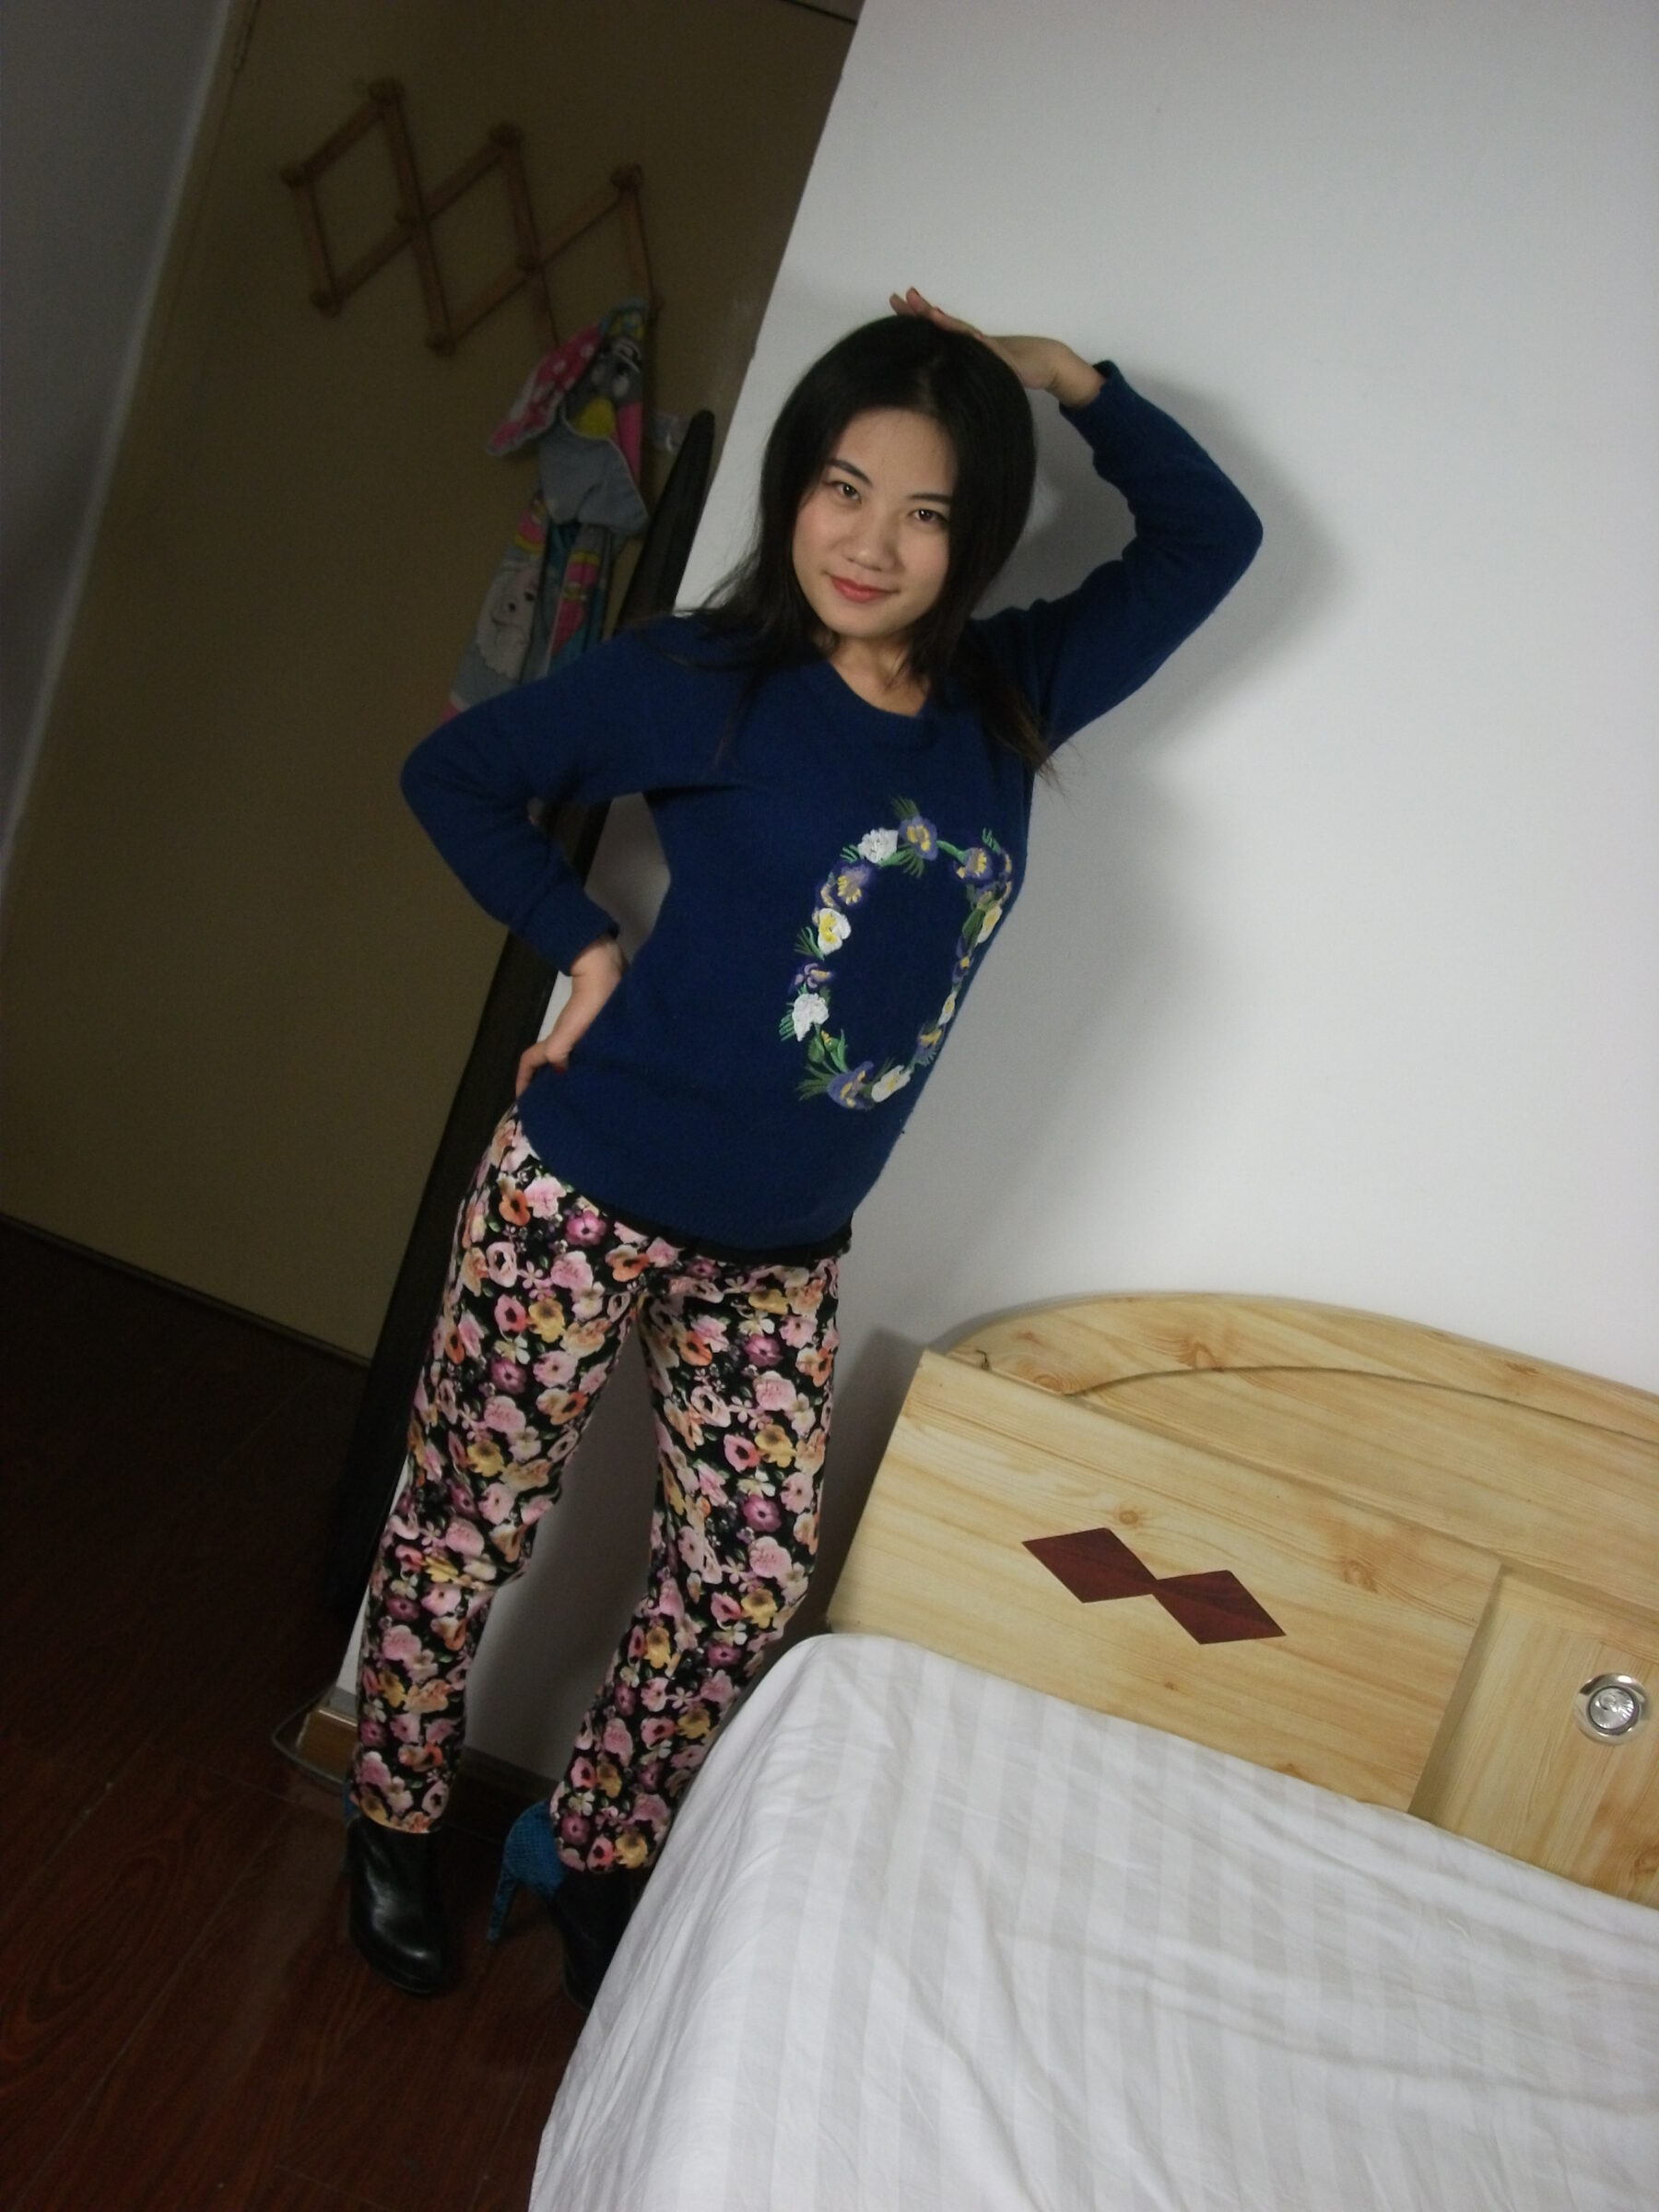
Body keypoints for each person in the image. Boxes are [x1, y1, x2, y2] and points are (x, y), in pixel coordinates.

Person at [343, 288, 1263, 2003]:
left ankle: (594, 1846)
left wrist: (1062, 377)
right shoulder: (704, 680)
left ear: (977, 533)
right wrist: (584, 942)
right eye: (843, 488)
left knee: (743, 1583)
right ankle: (391, 1812)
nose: (870, 542)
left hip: (779, 1252)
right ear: (794, 487)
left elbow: (1216, 539)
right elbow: (454, 774)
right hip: (580, 1201)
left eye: (926, 512)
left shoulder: (1010, 691)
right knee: (469, 1523)